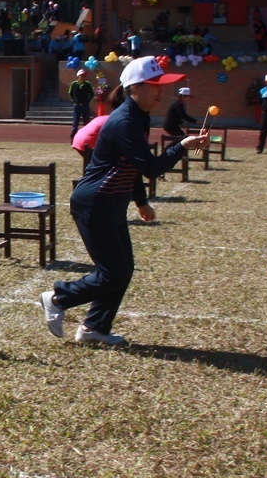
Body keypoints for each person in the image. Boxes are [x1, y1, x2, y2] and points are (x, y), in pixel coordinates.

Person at [38, 57, 209, 346]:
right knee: (114, 272)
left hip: (111, 202)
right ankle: (58, 297)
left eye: (161, 85)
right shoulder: (126, 121)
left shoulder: (138, 117)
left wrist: (140, 202)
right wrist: (181, 145)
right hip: (95, 203)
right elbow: (150, 168)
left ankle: (94, 328)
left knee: (122, 270)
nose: (160, 91)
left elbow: (131, 167)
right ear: (135, 87)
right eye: (154, 85)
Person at [68, 69, 94, 138]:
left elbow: (91, 93)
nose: (82, 77)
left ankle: (87, 137)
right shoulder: (74, 84)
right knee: (75, 123)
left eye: (84, 75)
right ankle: (73, 138)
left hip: (85, 105)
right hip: (77, 106)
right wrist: (74, 101)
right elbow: (70, 93)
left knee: (86, 122)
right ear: (78, 76)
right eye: (81, 75)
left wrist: (88, 101)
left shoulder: (87, 84)